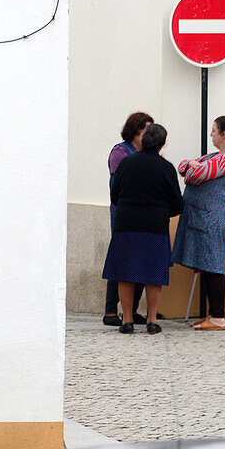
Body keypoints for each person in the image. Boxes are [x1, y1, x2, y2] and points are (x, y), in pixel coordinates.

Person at [101, 124, 184, 334]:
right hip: (155, 226)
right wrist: (163, 211)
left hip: (126, 224)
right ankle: (152, 320)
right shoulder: (166, 168)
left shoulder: (127, 163)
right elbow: (177, 203)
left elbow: (114, 195)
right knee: (153, 274)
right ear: (162, 144)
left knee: (125, 272)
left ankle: (127, 320)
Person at [171, 115, 225, 331]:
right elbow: (183, 167)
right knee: (206, 265)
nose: (211, 134)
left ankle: (218, 317)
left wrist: (194, 166)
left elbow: (195, 175)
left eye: (214, 130)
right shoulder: (216, 156)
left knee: (213, 266)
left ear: (224, 134)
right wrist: (192, 165)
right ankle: (212, 314)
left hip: (214, 220)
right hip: (204, 218)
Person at [102, 112, 155, 327]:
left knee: (141, 258)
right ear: (135, 132)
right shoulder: (120, 152)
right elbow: (119, 186)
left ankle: (130, 311)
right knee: (121, 258)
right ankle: (110, 311)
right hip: (123, 212)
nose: (148, 135)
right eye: (145, 131)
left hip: (142, 213)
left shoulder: (148, 154)